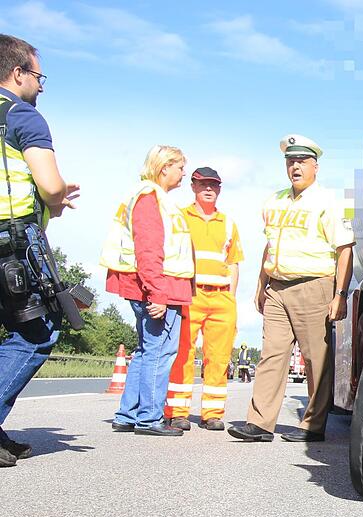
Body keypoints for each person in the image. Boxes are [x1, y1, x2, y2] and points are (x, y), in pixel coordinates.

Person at [229, 134, 353, 442]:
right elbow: (269, 245)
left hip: (314, 286)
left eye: (302, 162)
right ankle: (259, 423)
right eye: (290, 162)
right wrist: (261, 284)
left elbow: (345, 249)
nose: (295, 167)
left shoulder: (331, 202)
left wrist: (340, 294)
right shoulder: (274, 201)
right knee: (271, 355)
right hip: (277, 288)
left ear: (315, 167)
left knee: (315, 359)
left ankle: (312, 425)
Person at [0, 34, 79, 468]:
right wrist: (58, 197)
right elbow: (49, 186)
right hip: (11, 242)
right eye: (38, 76)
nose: (41, 86)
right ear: (18, 73)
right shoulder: (21, 115)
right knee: (37, 330)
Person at [101, 145, 194, 437]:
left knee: (145, 351)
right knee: (159, 350)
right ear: (164, 167)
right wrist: (157, 294)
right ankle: (149, 418)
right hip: (159, 287)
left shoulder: (150, 196)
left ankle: (128, 414)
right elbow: (149, 250)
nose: (183, 173)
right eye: (180, 167)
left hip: (151, 286)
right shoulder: (151, 198)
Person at [163, 167, 242, 432]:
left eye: (214, 185)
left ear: (219, 189)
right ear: (193, 187)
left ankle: (212, 413)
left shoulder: (228, 223)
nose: (209, 189)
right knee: (183, 354)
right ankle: (177, 412)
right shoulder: (180, 218)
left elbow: (233, 263)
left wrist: (230, 297)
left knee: (218, 358)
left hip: (221, 298)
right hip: (189, 295)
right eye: (203, 184)